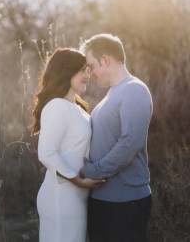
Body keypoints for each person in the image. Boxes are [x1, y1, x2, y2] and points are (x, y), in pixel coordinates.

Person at [79, 34, 153, 242]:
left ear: (105, 60)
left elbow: (129, 144)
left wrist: (92, 171)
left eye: (92, 65)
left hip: (125, 203)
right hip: (104, 200)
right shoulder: (113, 93)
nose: (90, 73)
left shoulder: (134, 90)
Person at [31, 48, 104, 242]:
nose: (86, 76)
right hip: (61, 197)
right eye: (81, 70)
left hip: (77, 197)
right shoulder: (56, 106)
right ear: (66, 71)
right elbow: (46, 153)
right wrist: (78, 180)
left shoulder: (78, 108)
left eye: (87, 70)